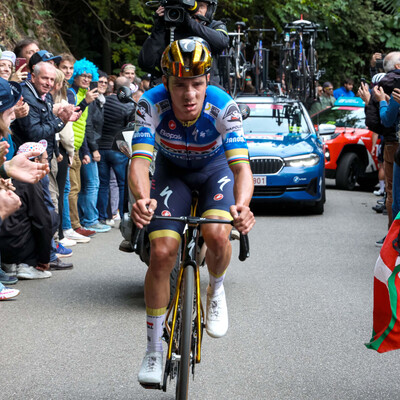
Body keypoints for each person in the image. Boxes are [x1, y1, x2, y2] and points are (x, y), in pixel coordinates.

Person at [130, 38, 255, 386]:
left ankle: (215, 289)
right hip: (173, 173)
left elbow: (242, 169)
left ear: (207, 82)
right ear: (166, 83)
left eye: (197, 84)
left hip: (216, 170)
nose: (189, 94)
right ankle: (154, 350)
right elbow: (139, 161)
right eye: (180, 85)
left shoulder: (223, 107)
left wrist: (242, 207)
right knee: (161, 252)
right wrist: (142, 198)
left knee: (217, 232)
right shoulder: (150, 104)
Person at [138, 0, 229, 86]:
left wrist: (190, 23)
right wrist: (159, 27)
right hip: (172, 86)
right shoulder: (169, 27)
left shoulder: (214, 26)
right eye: (190, 6)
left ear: (210, 9)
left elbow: (221, 42)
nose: (195, 11)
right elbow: (146, 62)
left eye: (200, 6)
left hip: (206, 86)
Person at [364, 52, 400, 246]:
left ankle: (394, 240)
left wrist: (380, 101)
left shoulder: (394, 87)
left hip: (395, 145)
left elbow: (386, 119)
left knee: (395, 197)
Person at [11, 61, 74, 165]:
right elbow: (35, 133)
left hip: (44, 158)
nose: (48, 83)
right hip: (28, 162)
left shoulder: (46, 95)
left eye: (52, 80)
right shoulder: (26, 96)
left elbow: (49, 128)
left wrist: (55, 151)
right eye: (44, 78)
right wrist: (61, 121)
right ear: (33, 77)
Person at [64, 58, 99, 241]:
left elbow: (82, 126)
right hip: (68, 147)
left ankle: (75, 225)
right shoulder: (72, 93)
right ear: (75, 76)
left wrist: (85, 151)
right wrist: (85, 101)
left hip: (76, 148)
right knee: (72, 189)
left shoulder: (85, 94)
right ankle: (72, 226)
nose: (86, 79)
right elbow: (72, 116)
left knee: (75, 189)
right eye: (83, 75)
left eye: (89, 76)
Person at [97, 77, 134, 225]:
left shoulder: (102, 102)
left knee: (103, 184)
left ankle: (103, 217)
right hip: (118, 148)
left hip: (100, 148)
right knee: (123, 184)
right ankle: (123, 216)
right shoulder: (128, 106)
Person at [78, 70, 111, 233]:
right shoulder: (90, 101)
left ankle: (88, 218)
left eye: (105, 82)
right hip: (88, 148)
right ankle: (90, 220)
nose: (103, 85)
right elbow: (87, 126)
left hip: (90, 146)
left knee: (89, 184)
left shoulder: (100, 101)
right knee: (92, 184)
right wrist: (93, 149)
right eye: (100, 82)